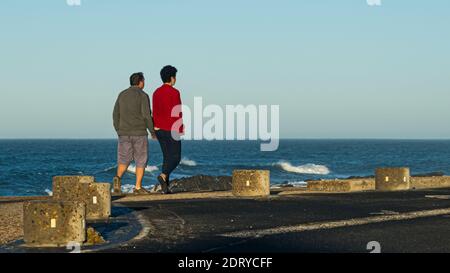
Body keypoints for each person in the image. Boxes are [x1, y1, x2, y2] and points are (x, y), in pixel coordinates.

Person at [112, 72, 155, 195]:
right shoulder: (143, 95)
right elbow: (147, 116)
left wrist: (118, 129)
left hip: (124, 132)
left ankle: (118, 178)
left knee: (124, 159)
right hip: (139, 132)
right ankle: (137, 187)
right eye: (144, 80)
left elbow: (115, 114)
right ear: (140, 82)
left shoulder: (122, 95)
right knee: (141, 160)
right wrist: (152, 131)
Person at [152, 65, 184, 194]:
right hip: (172, 128)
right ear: (172, 78)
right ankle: (163, 175)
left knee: (167, 157)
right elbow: (177, 111)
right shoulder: (175, 92)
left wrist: (154, 129)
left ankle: (165, 188)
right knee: (176, 157)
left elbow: (155, 111)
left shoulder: (156, 92)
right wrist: (180, 128)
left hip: (158, 128)